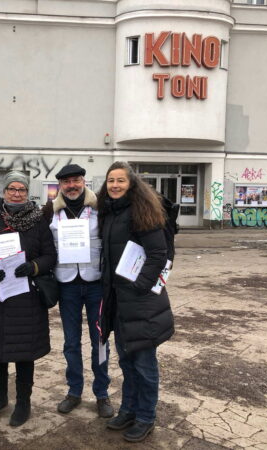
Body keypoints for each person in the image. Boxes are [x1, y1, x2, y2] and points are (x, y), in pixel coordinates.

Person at [0, 170, 56, 427]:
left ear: (28, 193)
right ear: (4, 191)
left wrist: (34, 266)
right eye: (12, 189)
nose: (16, 193)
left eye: (22, 189)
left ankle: (23, 402)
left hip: (26, 296)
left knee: (24, 352)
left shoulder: (38, 221)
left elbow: (50, 256)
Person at [97, 161, 174, 443]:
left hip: (140, 303)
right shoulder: (109, 213)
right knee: (127, 362)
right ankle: (128, 409)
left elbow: (158, 254)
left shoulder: (142, 211)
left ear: (131, 184)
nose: (115, 185)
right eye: (110, 181)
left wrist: (139, 286)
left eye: (120, 181)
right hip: (118, 302)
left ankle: (145, 417)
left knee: (144, 364)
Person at [43, 164, 113, 418]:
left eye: (76, 180)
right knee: (71, 342)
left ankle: (102, 393)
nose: (72, 186)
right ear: (60, 185)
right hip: (67, 284)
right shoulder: (49, 210)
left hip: (96, 284)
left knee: (100, 340)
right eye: (66, 182)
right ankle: (74, 391)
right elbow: (42, 243)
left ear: (84, 181)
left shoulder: (101, 208)